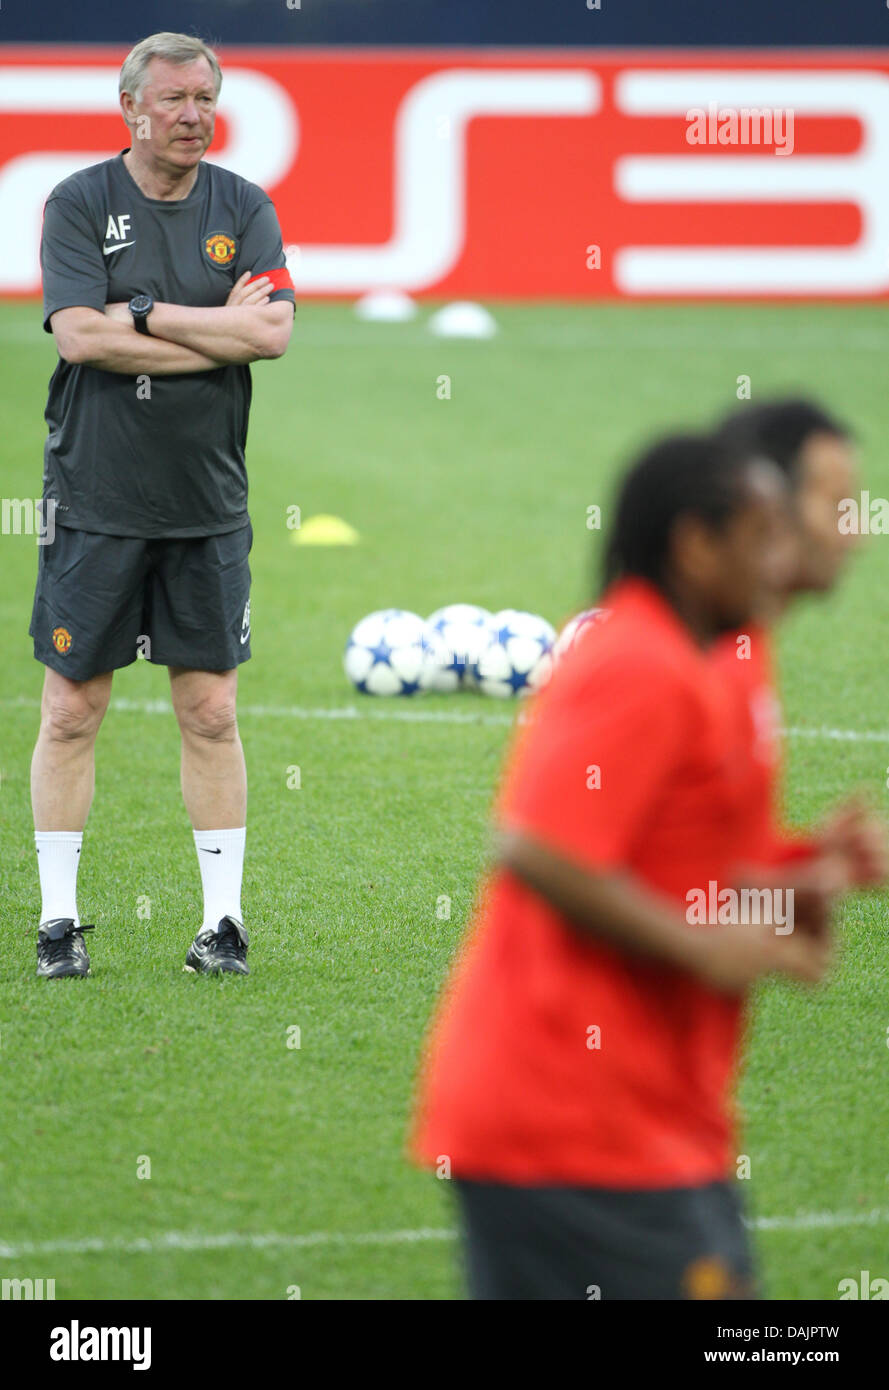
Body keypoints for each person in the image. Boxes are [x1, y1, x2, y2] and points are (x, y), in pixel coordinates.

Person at [410, 432, 878, 1300]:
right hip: (575, 1124)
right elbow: (536, 845)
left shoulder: (707, 658)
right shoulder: (640, 662)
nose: (787, 557)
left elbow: (681, 864)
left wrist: (802, 877)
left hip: (648, 1121)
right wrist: (708, 948)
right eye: (764, 535)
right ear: (696, 545)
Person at [31, 31, 295, 979]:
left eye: (205, 99)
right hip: (96, 498)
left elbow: (271, 334)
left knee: (211, 711)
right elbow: (77, 341)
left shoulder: (244, 205)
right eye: (175, 99)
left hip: (206, 502)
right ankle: (58, 923)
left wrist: (141, 313)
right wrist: (211, 330)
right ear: (131, 107)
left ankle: (220, 926)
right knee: (72, 709)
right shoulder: (77, 202)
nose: (194, 115)